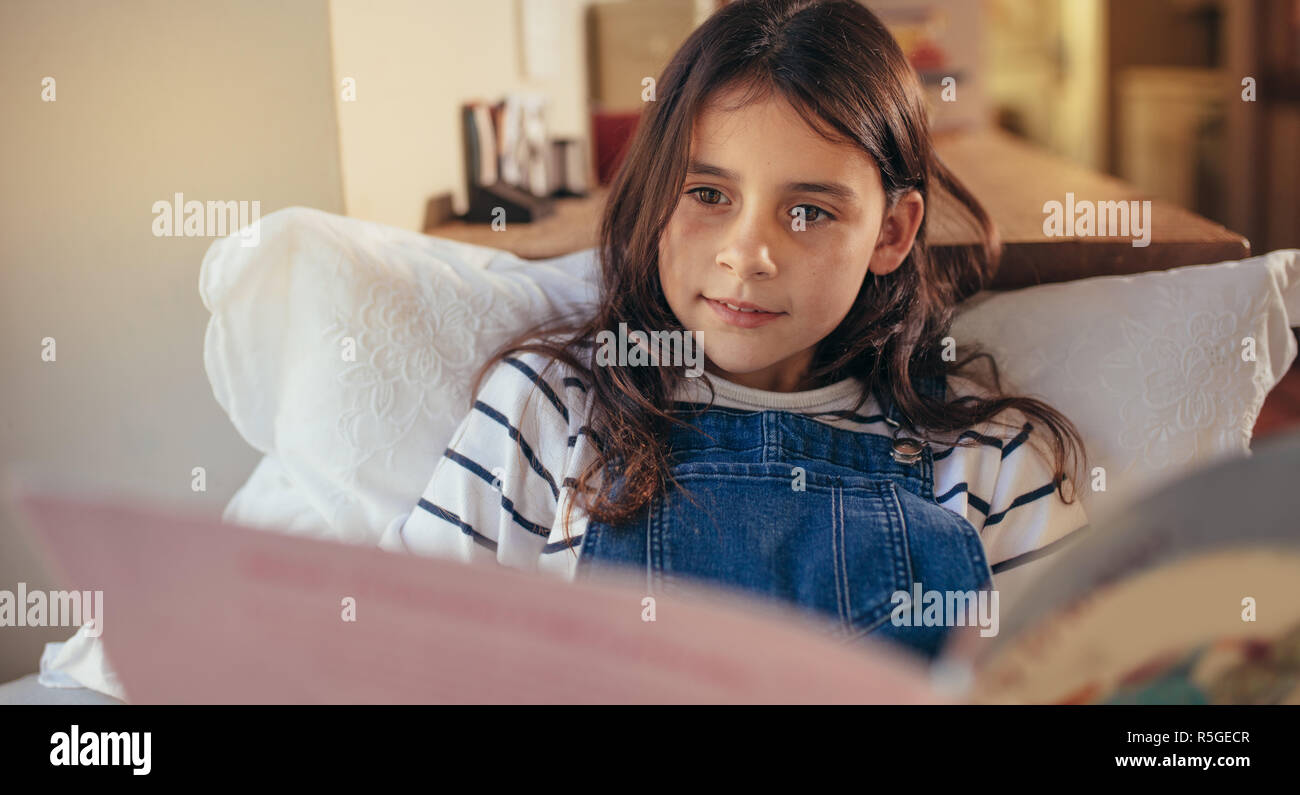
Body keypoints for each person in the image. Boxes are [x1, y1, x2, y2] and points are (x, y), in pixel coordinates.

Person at [380, 0, 1090, 661]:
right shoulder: (549, 411)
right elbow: (403, 658)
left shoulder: (991, 462)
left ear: (893, 232)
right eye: (708, 194)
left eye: (809, 210)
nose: (747, 255)